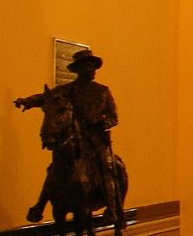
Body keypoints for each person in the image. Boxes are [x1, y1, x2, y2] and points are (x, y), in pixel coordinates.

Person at [15, 49, 121, 224]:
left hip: (95, 139)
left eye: (94, 67)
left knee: (107, 166)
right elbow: (45, 98)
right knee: (55, 168)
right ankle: (39, 206)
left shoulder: (103, 91)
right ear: (79, 69)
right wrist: (27, 101)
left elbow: (113, 117)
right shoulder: (66, 90)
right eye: (89, 66)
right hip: (73, 138)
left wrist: (103, 122)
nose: (93, 70)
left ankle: (112, 208)